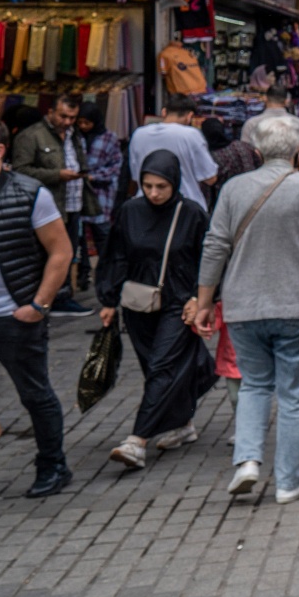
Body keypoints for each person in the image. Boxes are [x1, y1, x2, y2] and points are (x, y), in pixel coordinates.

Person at [186, 115, 299, 503]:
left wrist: (204, 303)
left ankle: (248, 461)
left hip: (243, 303)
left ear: (255, 150)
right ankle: (288, 482)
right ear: (297, 149)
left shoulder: (233, 188)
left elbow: (215, 245)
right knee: (295, 394)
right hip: (298, 303)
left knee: (253, 385)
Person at [96, 150, 212, 471]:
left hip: (180, 300)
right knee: (154, 365)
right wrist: (107, 300)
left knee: (162, 364)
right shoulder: (130, 211)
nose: (154, 193)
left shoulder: (191, 214)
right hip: (138, 301)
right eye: (147, 185)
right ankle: (183, 423)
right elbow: (116, 255)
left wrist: (200, 300)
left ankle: (137, 441)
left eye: (161, 186)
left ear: (174, 182)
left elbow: (210, 259)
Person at [0, 118, 77, 495]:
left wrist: (38, 304)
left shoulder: (28, 193)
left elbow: (61, 250)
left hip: (13, 316)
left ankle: (53, 466)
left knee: (35, 394)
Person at [11, 95, 92, 314]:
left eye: (72, 117)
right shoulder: (32, 136)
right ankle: (54, 298)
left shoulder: (74, 135)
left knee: (68, 250)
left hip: (72, 203)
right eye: (63, 116)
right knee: (52, 252)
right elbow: (20, 170)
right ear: (51, 113)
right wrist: (57, 175)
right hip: (50, 205)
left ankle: (62, 296)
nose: (67, 121)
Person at [75, 101, 123, 311]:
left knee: (103, 237)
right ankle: (83, 275)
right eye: (81, 122)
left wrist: (93, 176)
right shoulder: (74, 137)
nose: (84, 126)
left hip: (101, 194)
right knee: (79, 239)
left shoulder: (109, 138)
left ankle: (106, 277)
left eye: (87, 122)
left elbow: (115, 166)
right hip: (77, 195)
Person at [129, 95, 217, 207]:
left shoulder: (138, 134)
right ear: (189, 116)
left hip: (146, 203)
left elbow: (136, 176)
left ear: (164, 112)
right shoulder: (190, 135)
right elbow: (210, 178)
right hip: (185, 205)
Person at [201, 117, 261, 196]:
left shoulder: (210, 157)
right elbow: (259, 161)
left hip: (226, 196)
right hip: (253, 190)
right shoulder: (243, 146)